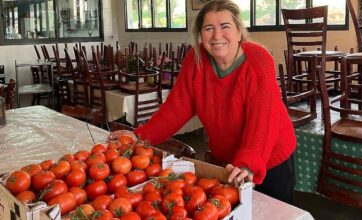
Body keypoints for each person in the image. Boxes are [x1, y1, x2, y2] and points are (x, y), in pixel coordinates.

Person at [110, 0, 296, 203]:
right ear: (200, 34)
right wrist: (140, 136)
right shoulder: (196, 59)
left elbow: (263, 119)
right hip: (228, 163)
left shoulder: (258, 59)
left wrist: (249, 162)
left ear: (239, 31)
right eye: (209, 28)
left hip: (270, 158)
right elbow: (175, 109)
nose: (217, 36)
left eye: (225, 26)